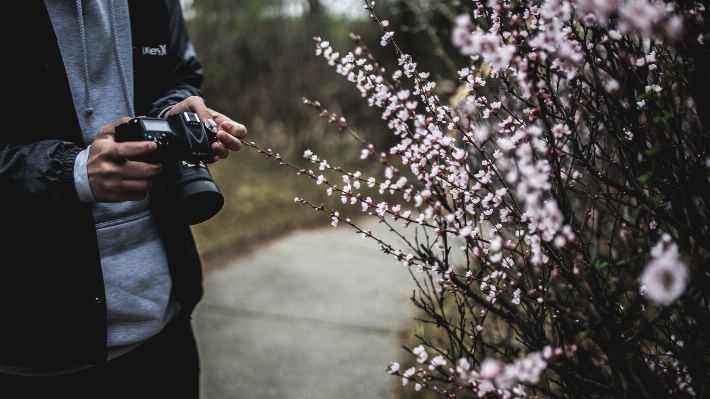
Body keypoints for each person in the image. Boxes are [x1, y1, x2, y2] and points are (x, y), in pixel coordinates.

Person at [0, 1, 246, 397]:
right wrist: (71, 173)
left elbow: (180, 75)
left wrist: (172, 115)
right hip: (34, 348)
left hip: (166, 325)